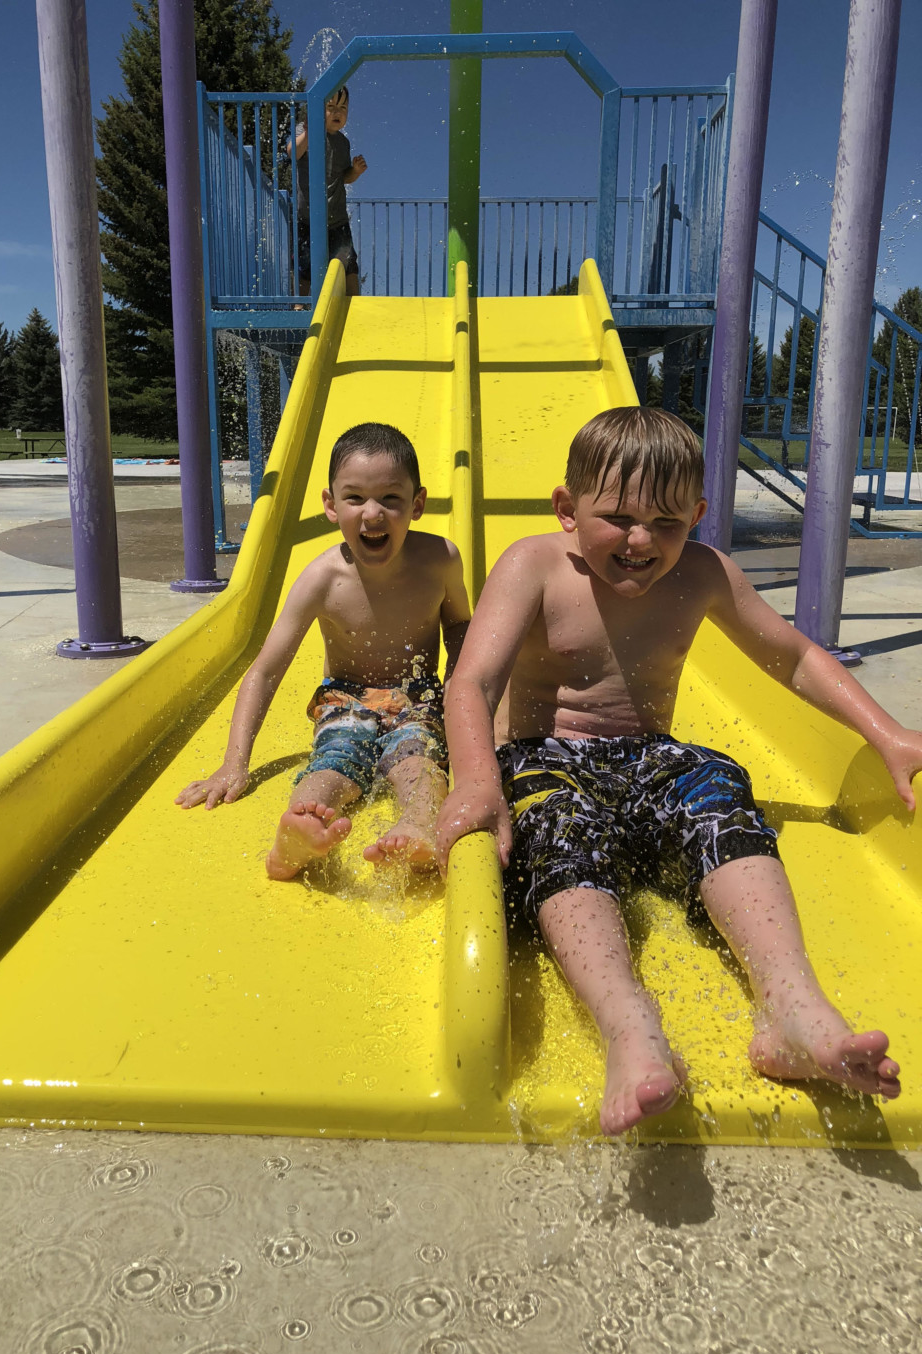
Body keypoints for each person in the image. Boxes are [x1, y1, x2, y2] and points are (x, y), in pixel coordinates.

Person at [435, 406, 917, 1137]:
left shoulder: (705, 573)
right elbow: (469, 685)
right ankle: (631, 1025)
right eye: (618, 517)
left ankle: (791, 1004)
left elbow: (795, 656)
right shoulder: (532, 565)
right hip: (546, 757)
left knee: (717, 787)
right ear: (567, 510)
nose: (640, 541)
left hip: (650, 758)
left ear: (695, 516)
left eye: (666, 522)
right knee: (555, 829)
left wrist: (885, 732)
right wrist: (476, 778)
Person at [177, 422, 471, 880]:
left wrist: (460, 675)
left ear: (417, 504)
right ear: (331, 507)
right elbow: (265, 671)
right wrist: (234, 763)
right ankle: (301, 831)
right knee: (333, 764)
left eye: (390, 498)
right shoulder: (322, 579)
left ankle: (417, 825)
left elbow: (458, 624)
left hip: (418, 697)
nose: (372, 513)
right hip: (345, 700)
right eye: (354, 497)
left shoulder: (441, 559)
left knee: (421, 762)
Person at [288, 85, 367, 297]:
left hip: (337, 218)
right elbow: (292, 152)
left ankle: (354, 302)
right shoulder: (305, 130)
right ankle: (300, 305)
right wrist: (307, 133)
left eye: (343, 108)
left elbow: (344, 177)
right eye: (331, 106)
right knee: (304, 263)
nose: (337, 112)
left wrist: (356, 172)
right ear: (317, 109)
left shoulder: (343, 142)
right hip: (308, 217)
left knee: (348, 261)